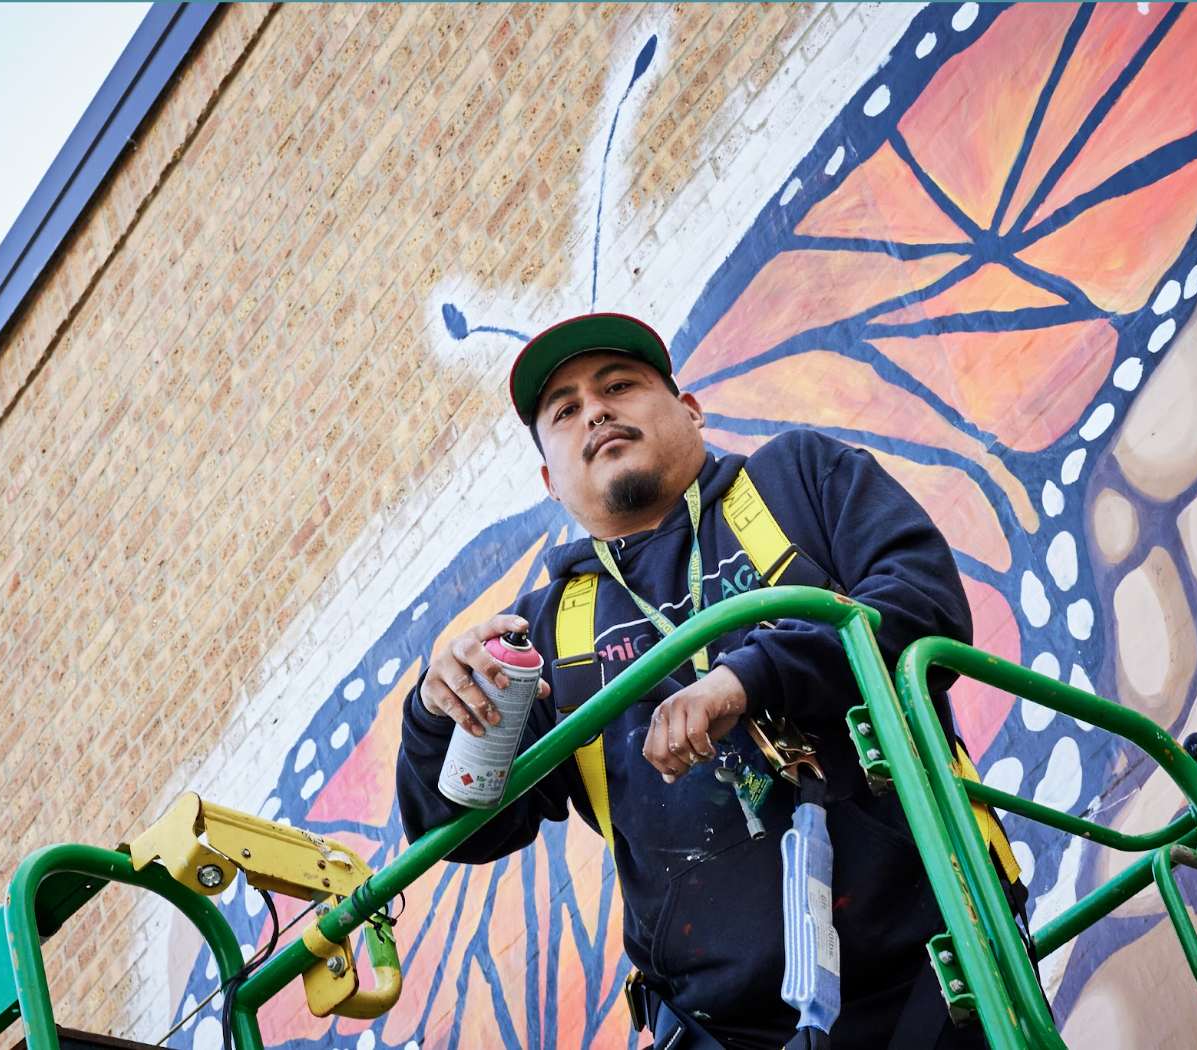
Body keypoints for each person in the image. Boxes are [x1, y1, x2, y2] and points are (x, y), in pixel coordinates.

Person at [395, 313, 987, 1049]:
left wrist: (750, 677)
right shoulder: (539, 639)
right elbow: (460, 827)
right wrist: (433, 711)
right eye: (566, 411)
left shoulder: (796, 481)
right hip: (726, 1031)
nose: (597, 411)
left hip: (941, 975)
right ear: (550, 480)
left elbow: (923, 603)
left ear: (691, 411)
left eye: (619, 385)